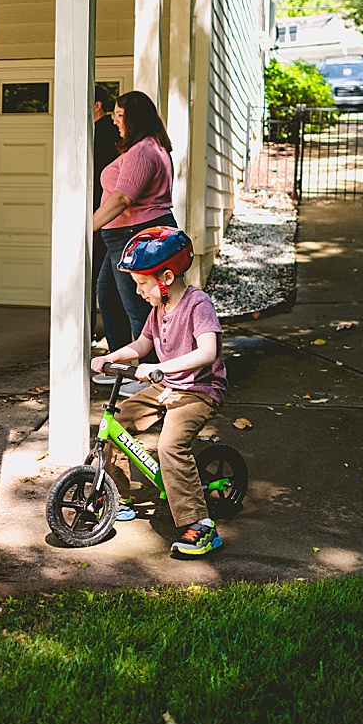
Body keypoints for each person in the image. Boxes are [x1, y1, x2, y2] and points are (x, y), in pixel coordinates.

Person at [90, 226, 229, 558]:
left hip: (199, 389)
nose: (138, 292)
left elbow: (207, 352)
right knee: (117, 422)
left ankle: (202, 527)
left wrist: (160, 369)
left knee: (170, 446)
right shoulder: (158, 309)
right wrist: (111, 356)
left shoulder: (197, 304)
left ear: (166, 277)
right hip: (167, 385)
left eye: (142, 284)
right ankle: (119, 498)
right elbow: (142, 344)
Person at [91, 90, 176, 395]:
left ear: (135, 118)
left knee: (139, 308)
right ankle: (122, 368)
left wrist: (86, 227)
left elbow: (123, 198)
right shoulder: (154, 147)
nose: (116, 122)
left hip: (134, 237)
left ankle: (151, 378)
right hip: (124, 237)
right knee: (109, 298)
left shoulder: (143, 151)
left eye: (121, 116)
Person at [91, 89, 119, 342]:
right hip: (101, 215)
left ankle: (88, 329)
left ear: (97, 104)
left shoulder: (105, 134)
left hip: (103, 215)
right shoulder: (103, 132)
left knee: (98, 278)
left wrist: (93, 221)